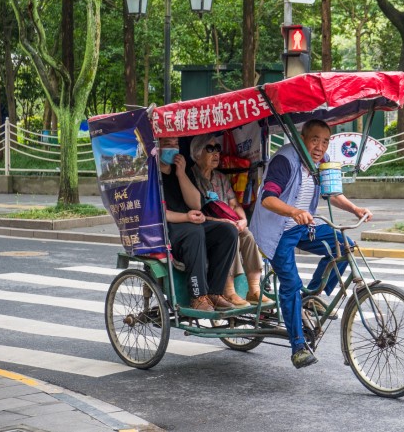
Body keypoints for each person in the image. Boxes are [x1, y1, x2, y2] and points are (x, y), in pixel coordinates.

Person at [250, 119, 373, 369]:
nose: (320, 146)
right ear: (302, 138)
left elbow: (332, 193)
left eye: (325, 141)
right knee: (290, 284)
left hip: (305, 226)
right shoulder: (285, 160)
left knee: (345, 247)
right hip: (277, 231)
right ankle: (297, 347)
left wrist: (355, 209)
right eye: (315, 139)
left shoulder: (322, 161)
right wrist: (294, 211)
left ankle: (312, 296)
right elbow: (267, 199)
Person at [189, 133, 273, 308]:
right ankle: (228, 291)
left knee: (247, 235)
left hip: (228, 223)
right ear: (197, 154)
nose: (216, 153)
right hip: (204, 226)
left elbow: (234, 204)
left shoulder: (220, 178)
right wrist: (223, 222)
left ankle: (254, 289)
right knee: (228, 234)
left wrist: (242, 219)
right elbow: (194, 211)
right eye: (210, 149)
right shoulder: (191, 177)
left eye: (217, 149)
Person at [158, 136, 239, 312]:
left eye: (175, 144)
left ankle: (215, 292)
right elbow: (159, 213)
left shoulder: (181, 170)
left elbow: (196, 204)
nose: (172, 148)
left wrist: (180, 174)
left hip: (190, 223)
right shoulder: (150, 175)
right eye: (167, 144)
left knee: (228, 231)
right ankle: (198, 295)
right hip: (167, 229)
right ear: (156, 147)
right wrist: (187, 217)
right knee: (194, 232)